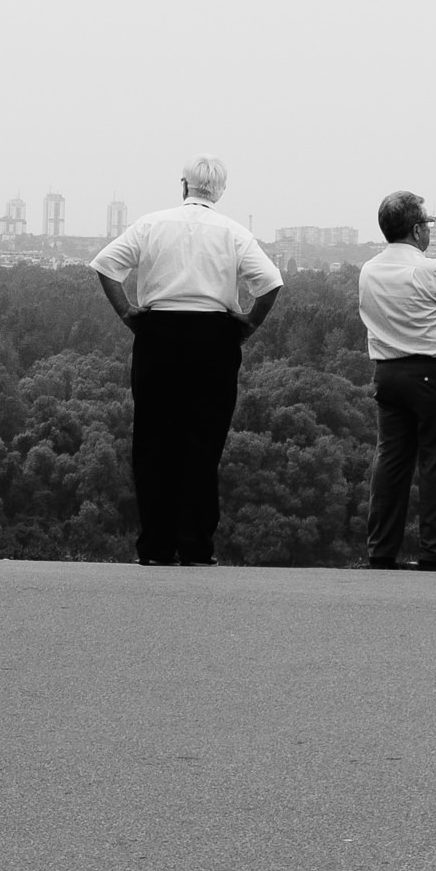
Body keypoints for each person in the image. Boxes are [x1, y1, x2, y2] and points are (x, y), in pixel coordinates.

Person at [91, 155, 283, 566]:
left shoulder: (150, 224)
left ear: (184, 186)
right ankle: (195, 545)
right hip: (214, 339)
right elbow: (270, 283)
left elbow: (107, 266)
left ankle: (155, 547)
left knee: (153, 441)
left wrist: (127, 313)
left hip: (158, 335)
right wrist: (248, 324)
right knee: (203, 443)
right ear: (221, 192)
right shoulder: (234, 233)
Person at [357, 191, 436, 572]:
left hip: (388, 374)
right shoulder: (430, 271)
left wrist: (435, 264)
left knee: (391, 462)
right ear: (416, 229)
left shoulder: (370, 269)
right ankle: (433, 550)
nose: (430, 229)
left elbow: (417, 279)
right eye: (427, 224)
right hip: (431, 376)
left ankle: (381, 550)